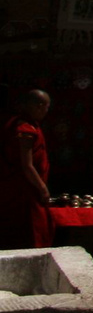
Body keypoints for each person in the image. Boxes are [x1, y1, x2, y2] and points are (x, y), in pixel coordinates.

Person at [0, 89, 53, 249]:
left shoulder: (23, 125)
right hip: (23, 188)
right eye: (45, 107)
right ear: (38, 106)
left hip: (21, 186)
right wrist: (42, 188)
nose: (46, 111)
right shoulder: (25, 130)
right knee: (31, 231)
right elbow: (27, 164)